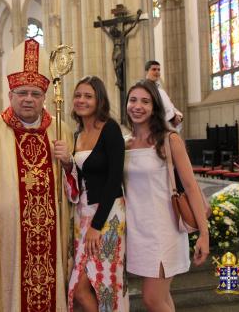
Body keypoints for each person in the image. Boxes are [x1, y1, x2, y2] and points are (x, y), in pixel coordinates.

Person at [0, 38, 73, 312]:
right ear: (10, 94)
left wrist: (69, 164)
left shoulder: (60, 131)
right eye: (22, 92)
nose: (29, 99)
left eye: (35, 93)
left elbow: (74, 186)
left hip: (51, 234)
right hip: (4, 234)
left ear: (44, 97)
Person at [123, 80, 209, 312]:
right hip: (137, 230)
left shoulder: (169, 140)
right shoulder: (125, 144)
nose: (137, 106)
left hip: (164, 230)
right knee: (162, 298)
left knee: (152, 299)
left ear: (155, 107)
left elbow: (191, 188)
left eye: (145, 101)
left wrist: (204, 234)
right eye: (133, 100)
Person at [55, 76, 128, 312]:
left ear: (99, 100)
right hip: (81, 214)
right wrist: (67, 163)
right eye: (78, 95)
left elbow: (113, 178)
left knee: (102, 282)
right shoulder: (76, 134)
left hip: (107, 216)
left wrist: (97, 225)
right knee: (78, 287)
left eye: (88, 96)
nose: (81, 100)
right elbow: (79, 177)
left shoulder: (110, 129)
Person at [145, 60, 183, 130]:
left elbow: (171, 107)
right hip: (155, 129)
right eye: (154, 69)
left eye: (159, 70)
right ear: (146, 71)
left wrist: (178, 115)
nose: (157, 72)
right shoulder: (144, 89)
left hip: (168, 128)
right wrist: (172, 118)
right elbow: (151, 111)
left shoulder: (162, 91)